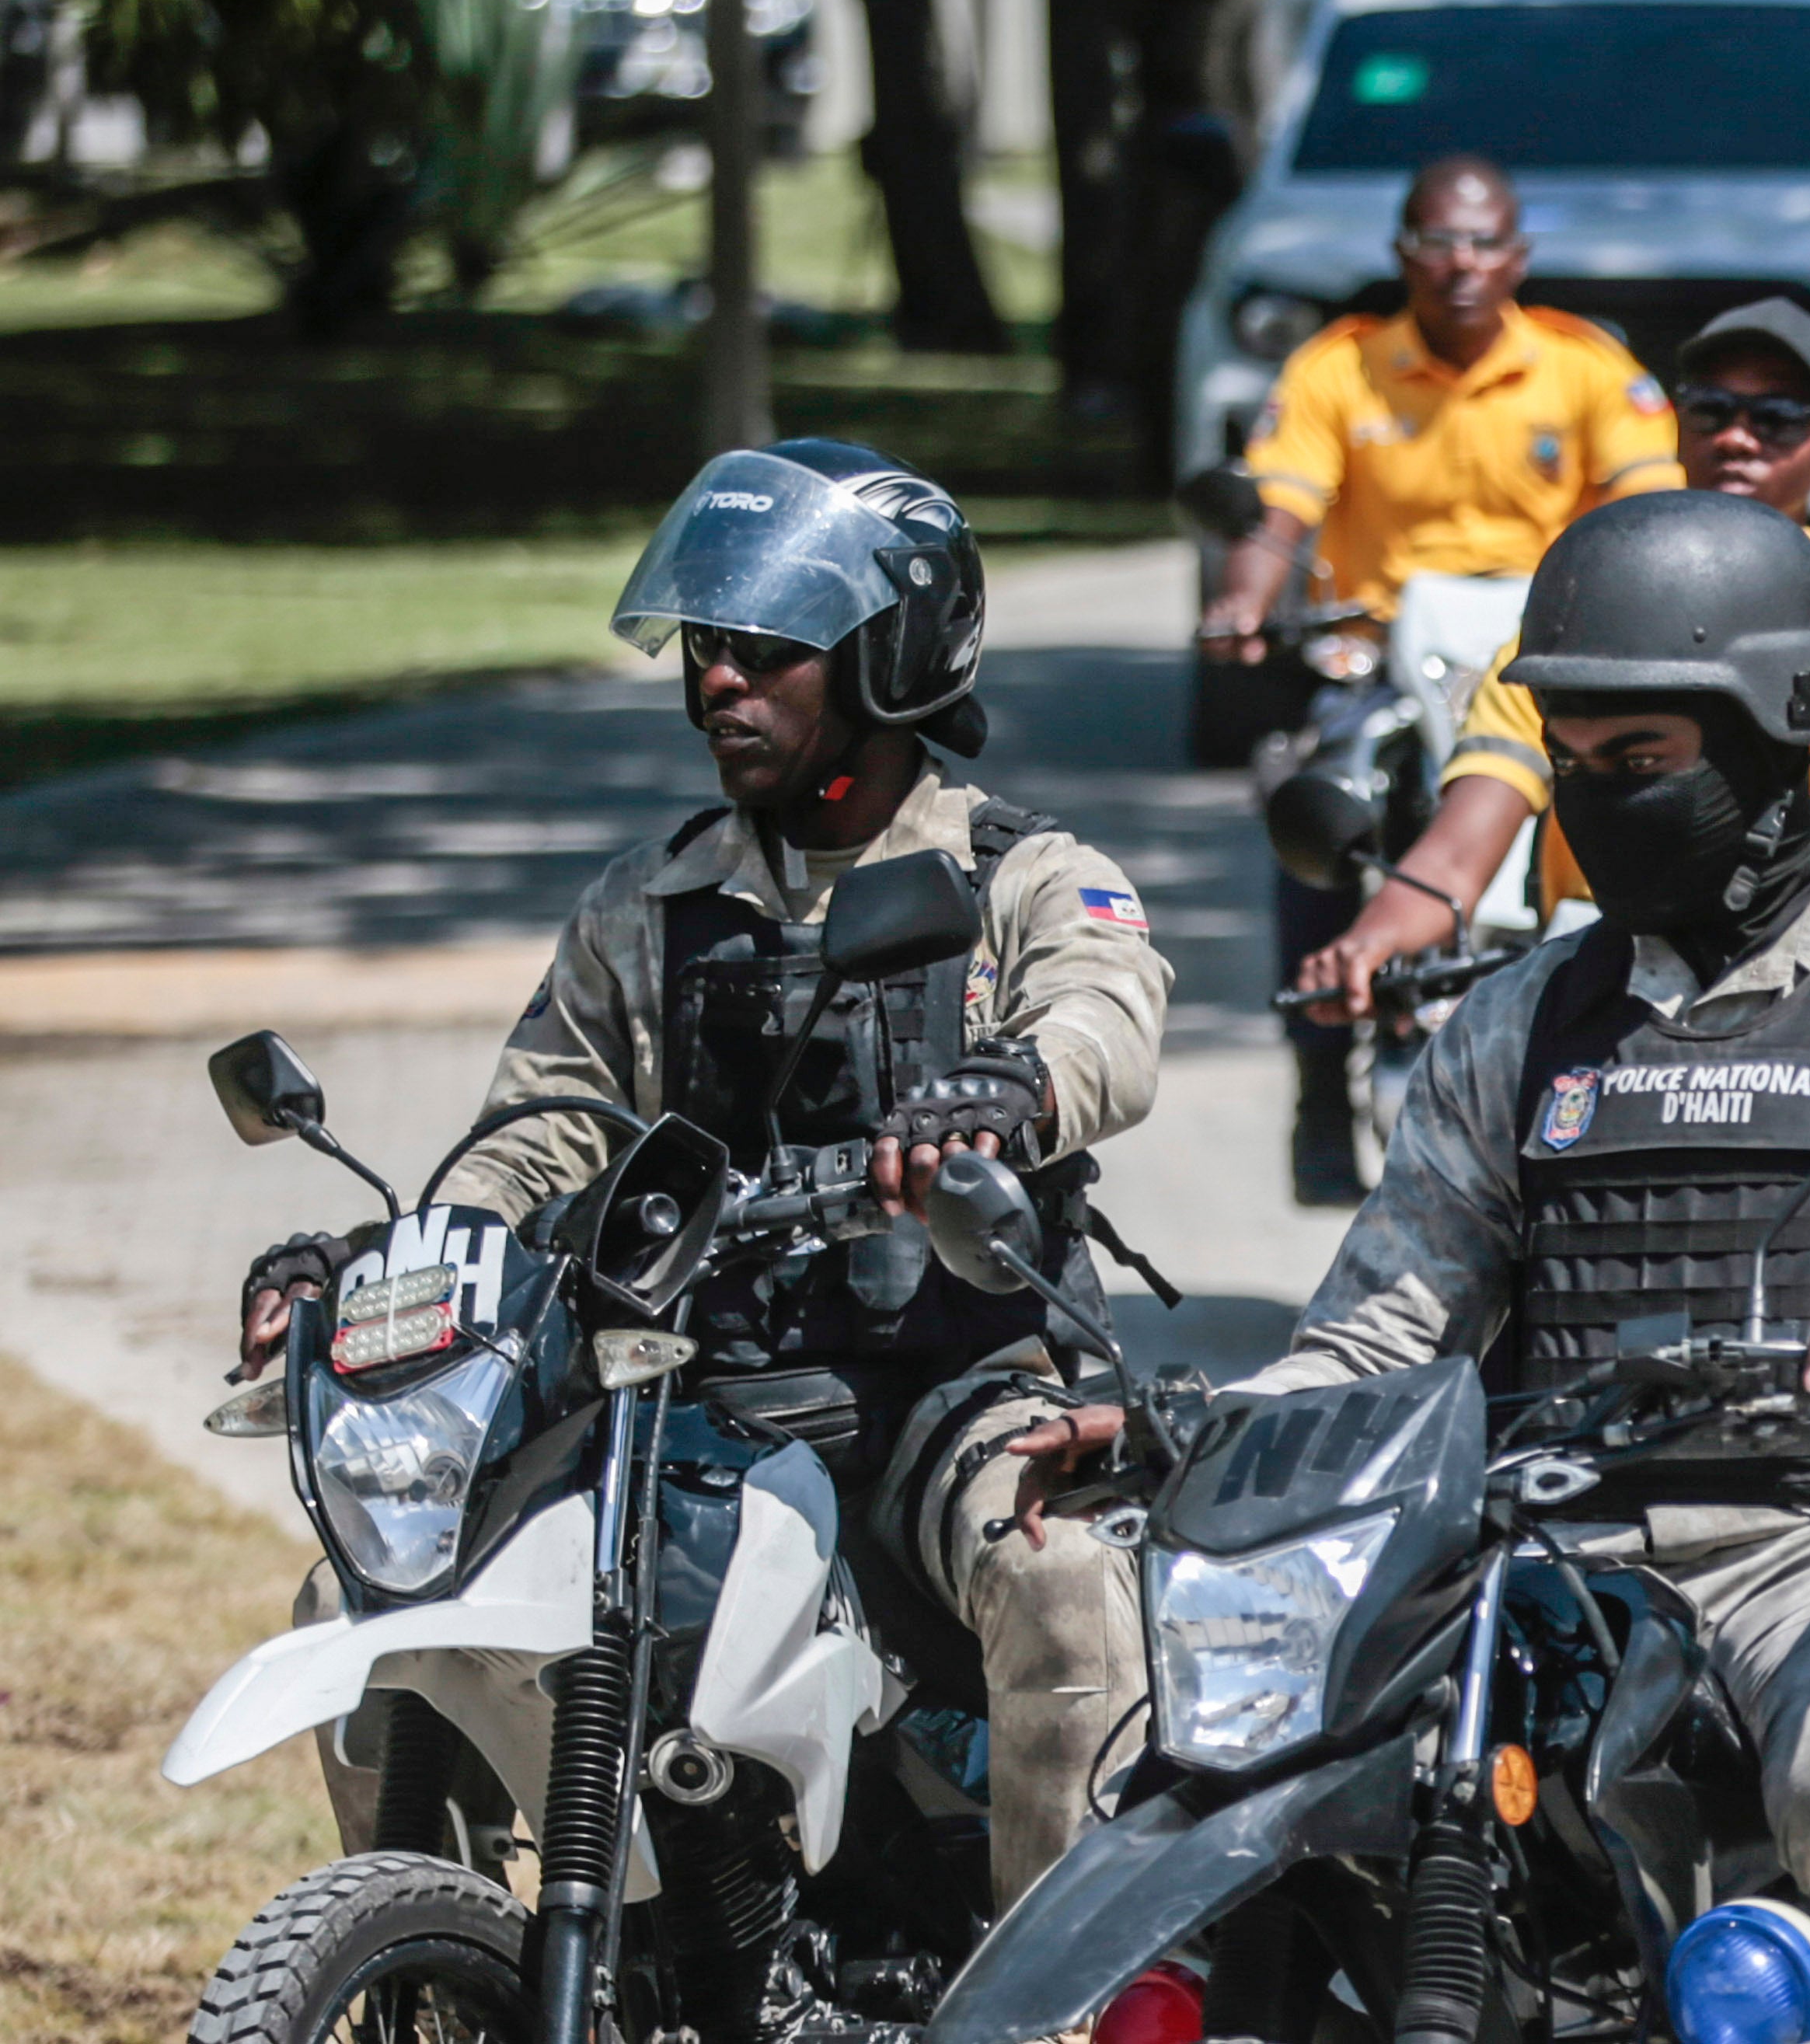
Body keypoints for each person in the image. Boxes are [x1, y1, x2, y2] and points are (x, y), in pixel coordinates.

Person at [1013, 489, 1810, 2044]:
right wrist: (1198, 1430)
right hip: (1544, 1559)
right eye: (1569, 759)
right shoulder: (1526, 1016)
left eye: (1640, 760)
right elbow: (1376, 1338)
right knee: (1250, 1778)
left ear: (1772, 740)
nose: (1593, 798)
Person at [232, 441, 1175, 1910]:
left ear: (888, 656)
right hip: (684, 1398)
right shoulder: (653, 900)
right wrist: (407, 1253)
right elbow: (543, 1123)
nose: (719, 682)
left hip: (953, 1389)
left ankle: (1055, 1995)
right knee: (367, 1592)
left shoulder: (1022, 874)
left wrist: (1008, 1090)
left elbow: (1107, 1017)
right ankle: (434, 1953)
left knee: (1062, 1580)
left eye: (768, 652)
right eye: (706, 648)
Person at [1296, 296, 1810, 1021]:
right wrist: (1372, 937)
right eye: (1711, 410)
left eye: (1777, 417)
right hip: (1608, 1005)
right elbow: (1462, 844)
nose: (1737, 437)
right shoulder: (1576, 625)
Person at [1198, 154, 1679, 1204]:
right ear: (1401, 252)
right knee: (1316, 802)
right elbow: (1280, 508)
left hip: (1548, 658)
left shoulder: (1586, 367)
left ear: (1519, 256)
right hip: (1383, 661)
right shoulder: (1339, 367)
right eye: (1437, 241)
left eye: (1483, 242)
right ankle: (1320, 1074)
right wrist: (1242, 597)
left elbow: (1647, 504)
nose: (1461, 263)